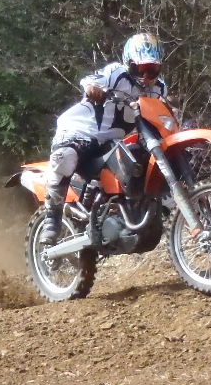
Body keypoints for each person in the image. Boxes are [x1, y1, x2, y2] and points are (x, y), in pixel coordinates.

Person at [38, 32, 167, 244]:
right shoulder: (116, 73)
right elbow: (89, 80)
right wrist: (94, 89)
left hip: (111, 140)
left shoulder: (158, 88)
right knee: (66, 156)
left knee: (142, 162)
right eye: (140, 69)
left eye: (152, 69)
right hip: (81, 131)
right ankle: (52, 219)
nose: (145, 76)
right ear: (129, 64)